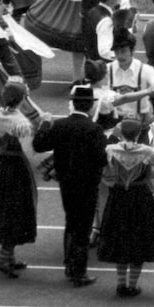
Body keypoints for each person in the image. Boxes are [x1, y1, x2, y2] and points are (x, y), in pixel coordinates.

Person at [33, 83, 108, 287]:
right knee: (83, 228)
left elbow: (38, 145)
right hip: (87, 184)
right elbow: (102, 158)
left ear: (74, 104)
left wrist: (44, 125)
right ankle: (79, 272)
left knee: (71, 222)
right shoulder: (94, 129)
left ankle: (69, 263)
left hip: (66, 182)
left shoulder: (60, 125)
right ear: (90, 106)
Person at [93, 118, 154, 298]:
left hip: (118, 197)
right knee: (139, 240)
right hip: (141, 197)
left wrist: (115, 135)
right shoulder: (146, 151)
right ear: (139, 134)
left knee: (120, 238)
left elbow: (102, 160)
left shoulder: (110, 149)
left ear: (121, 133)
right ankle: (132, 285)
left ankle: (120, 284)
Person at [0, 80, 40, 276]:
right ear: (22, 98)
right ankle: (3, 258)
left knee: (4, 209)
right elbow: (29, 151)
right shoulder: (22, 123)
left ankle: (9, 256)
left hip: (0, 163)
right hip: (17, 167)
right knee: (16, 211)